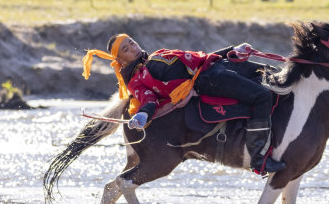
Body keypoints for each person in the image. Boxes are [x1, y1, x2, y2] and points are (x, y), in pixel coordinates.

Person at [82, 33, 286, 174]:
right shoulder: (138, 80)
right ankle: (259, 160)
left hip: (218, 65)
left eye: (132, 43)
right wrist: (143, 114)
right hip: (210, 80)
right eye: (126, 49)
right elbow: (149, 99)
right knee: (262, 97)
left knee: (271, 73)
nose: (133, 48)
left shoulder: (155, 57)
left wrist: (231, 50)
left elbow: (200, 58)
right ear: (121, 60)